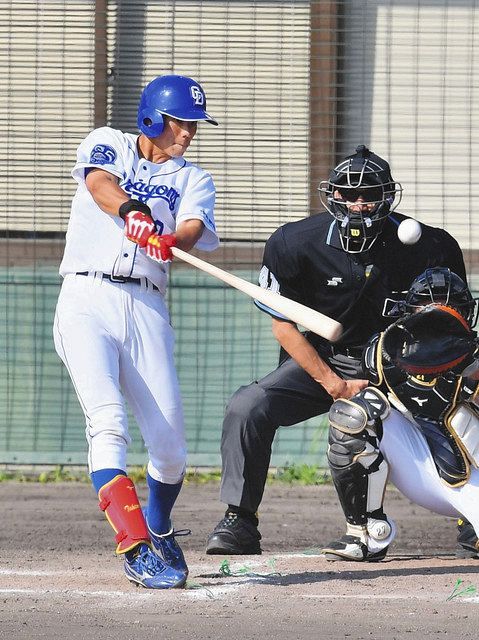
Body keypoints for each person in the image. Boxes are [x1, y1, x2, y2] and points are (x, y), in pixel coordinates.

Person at [205, 144, 466, 556]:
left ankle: (469, 516)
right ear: (333, 195)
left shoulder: (430, 246)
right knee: (247, 406)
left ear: (387, 195)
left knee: (461, 410)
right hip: (325, 361)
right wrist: (332, 383)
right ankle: (240, 520)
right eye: (349, 194)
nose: (359, 204)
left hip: (404, 364)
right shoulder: (295, 243)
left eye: (370, 195)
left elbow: (452, 324)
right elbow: (283, 325)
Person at [53, 74, 219, 588]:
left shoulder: (195, 178)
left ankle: (159, 526)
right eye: (179, 122)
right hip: (87, 298)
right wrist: (131, 209)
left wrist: (171, 238)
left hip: (147, 305)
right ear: (151, 117)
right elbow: (100, 184)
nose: (188, 133)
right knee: (108, 425)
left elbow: (193, 228)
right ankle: (136, 547)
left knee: (170, 448)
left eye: (193, 125)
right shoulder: (109, 142)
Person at [321, 267, 479, 561]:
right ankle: (367, 533)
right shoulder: (384, 355)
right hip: (427, 471)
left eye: (451, 306)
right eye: (427, 306)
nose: (440, 313)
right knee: (355, 413)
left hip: (474, 481)